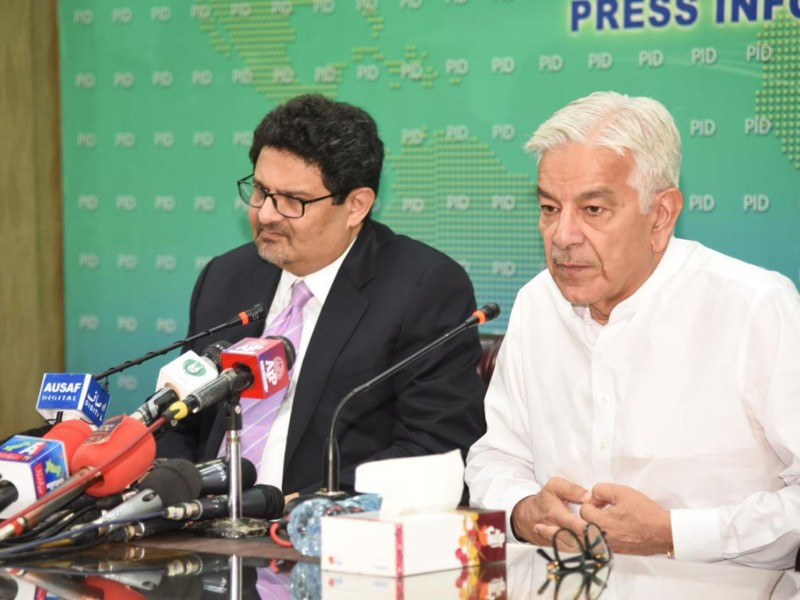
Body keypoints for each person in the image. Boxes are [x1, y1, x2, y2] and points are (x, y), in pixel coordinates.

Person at [465, 91, 800, 568]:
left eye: (593, 210)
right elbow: (496, 456)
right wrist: (523, 511)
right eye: (549, 208)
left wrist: (674, 533)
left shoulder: (754, 307)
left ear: (660, 215)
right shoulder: (538, 303)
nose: (562, 236)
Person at [157, 94, 486, 495]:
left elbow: (435, 448)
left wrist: (309, 506)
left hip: (326, 534)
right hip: (207, 526)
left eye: (292, 201)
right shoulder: (226, 277)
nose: (265, 214)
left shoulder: (423, 288)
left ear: (356, 206)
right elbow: (178, 420)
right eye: (260, 191)